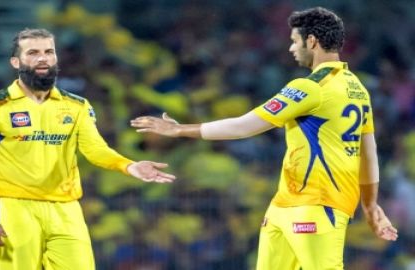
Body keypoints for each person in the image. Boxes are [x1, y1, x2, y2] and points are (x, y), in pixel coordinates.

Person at [131, 7, 398, 270]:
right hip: (283, 206)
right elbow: (368, 151)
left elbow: (243, 126)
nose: (292, 49)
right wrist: (370, 204)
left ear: (312, 41)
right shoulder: (358, 89)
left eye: (295, 41)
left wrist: (179, 130)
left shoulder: (310, 87)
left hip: (317, 205)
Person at [0, 28, 175, 270]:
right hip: (15, 206)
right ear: (16, 62)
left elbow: (95, 149)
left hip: (67, 209)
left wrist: (129, 166)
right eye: (32, 52)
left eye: (49, 52)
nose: (42, 58)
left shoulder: (77, 105)